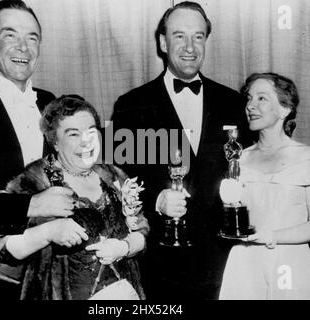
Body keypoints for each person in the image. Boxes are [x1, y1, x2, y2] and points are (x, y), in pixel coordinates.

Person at [111, 1, 252, 299]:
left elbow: (246, 174)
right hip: (161, 262)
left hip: (223, 259)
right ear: (163, 42)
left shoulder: (232, 103)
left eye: (198, 36)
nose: (190, 46)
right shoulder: (131, 105)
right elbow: (120, 181)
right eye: (179, 36)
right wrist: (156, 200)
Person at [0, 0, 75, 299]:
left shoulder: (54, 104)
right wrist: (31, 205)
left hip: (53, 279)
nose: (23, 47)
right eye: (9, 35)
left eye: (32, 37)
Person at [0, 95, 149, 300]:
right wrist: (47, 232)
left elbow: (142, 229)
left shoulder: (113, 176)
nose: (86, 142)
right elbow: (0, 254)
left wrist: (124, 247)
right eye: (73, 134)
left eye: (91, 131)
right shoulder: (33, 183)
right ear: (54, 141)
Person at [219, 72, 310, 300]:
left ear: (284, 109)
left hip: (290, 263)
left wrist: (271, 235)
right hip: (244, 263)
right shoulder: (238, 159)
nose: (251, 105)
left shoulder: (306, 158)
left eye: (262, 98)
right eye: (249, 98)